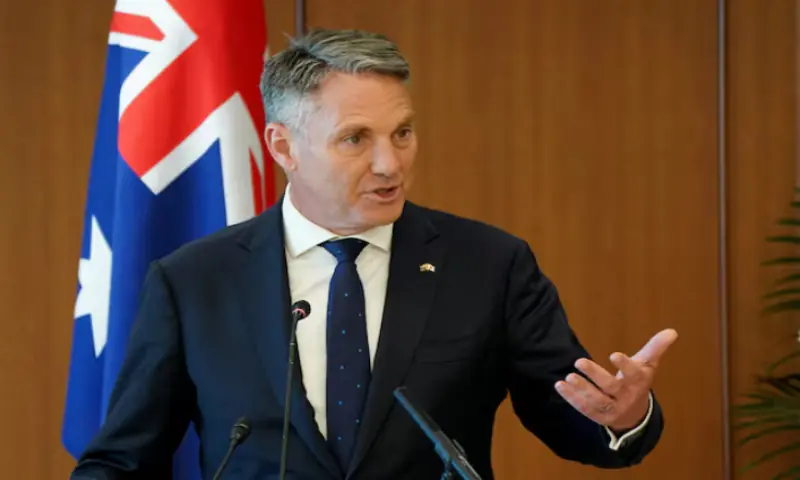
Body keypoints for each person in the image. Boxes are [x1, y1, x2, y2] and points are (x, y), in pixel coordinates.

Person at [71, 28, 677, 479]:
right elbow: (122, 461)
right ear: (283, 146)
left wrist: (623, 415)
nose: (390, 164)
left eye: (402, 133)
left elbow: (575, 424)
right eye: (355, 139)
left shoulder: (489, 265)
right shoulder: (194, 281)